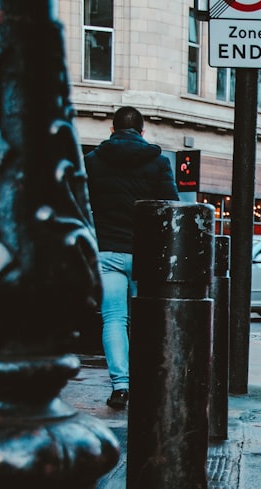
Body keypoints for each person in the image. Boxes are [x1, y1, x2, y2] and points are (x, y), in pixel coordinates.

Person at [85, 106, 179, 409]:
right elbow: (171, 206)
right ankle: (148, 381)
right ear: (142, 132)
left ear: (112, 130)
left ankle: (121, 385)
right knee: (147, 320)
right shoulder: (158, 162)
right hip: (145, 255)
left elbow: (81, 206)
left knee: (113, 318)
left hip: (108, 251)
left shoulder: (91, 163)